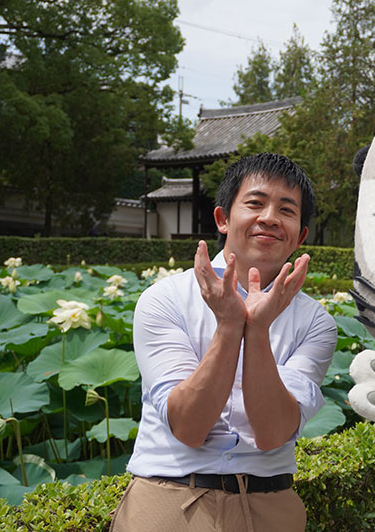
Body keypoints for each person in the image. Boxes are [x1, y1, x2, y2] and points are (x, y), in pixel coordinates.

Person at [111, 153, 337, 532]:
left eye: (286, 209)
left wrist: (258, 330)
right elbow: (188, 425)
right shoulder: (164, 299)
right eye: (255, 203)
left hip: (269, 506)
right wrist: (230, 326)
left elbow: (271, 434)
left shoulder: (316, 323)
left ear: (299, 236)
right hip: (168, 501)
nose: (269, 217)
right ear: (222, 219)